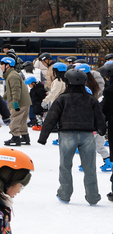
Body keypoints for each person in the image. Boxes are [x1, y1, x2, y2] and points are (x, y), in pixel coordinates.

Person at [37, 68, 104, 205]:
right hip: (87, 135)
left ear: (68, 82)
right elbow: (100, 117)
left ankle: (65, 194)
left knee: (65, 166)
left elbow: (51, 118)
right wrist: (102, 130)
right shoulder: (91, 100)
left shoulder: (62, 99)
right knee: (90, 167)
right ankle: (92, 196)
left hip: (67, 134)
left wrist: (43, 137)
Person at [1, 57, 31, 145]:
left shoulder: (12, 75)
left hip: (19, 102)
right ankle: (25, 137)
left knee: (14, 119)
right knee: (21, 121)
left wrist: (15, 102)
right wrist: (2, 98)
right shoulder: (12, 74)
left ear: (8, 65)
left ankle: (16, 138)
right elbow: (10, 90)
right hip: (24, 101)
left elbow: (15, 90)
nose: (1, 66)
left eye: (2, 64)